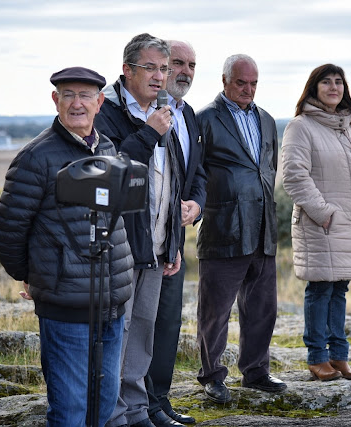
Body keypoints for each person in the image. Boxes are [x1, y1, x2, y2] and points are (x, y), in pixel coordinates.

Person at [0, 67, 134, 425]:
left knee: (103, 407)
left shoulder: (107, 148)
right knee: (70, 411)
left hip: (111, 301)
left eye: (86, 96)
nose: (77, 103)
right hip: (66, 307)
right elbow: (7, 231)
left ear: (100, 102)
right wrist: (33, 274)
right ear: (55, 100)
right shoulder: (36, 157)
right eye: (68, 94)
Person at [93, 33, 182, 427]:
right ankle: (110, 414)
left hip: (155, 244)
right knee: (118, 330)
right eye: (151, 68)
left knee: (144, 329)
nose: (160, 77)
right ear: (127, 70)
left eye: (164, 69)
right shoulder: (106, 113)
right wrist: (149, 132)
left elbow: (171, 184)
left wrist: (173, 240)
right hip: (119, 245)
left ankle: (135, 409)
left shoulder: (166, 113)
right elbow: (110, 172)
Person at [281, 64, 351, 382]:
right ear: (314, 89)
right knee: (321, 288)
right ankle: (316, 357)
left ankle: (339, 356)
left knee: (340, 287)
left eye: (339, 82)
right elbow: (294, 176)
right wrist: (323, 213)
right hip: (320, 223)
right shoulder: (300, 126)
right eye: (326, 82)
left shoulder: (350, 126)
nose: (334, 87)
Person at [195, 54, 286, 404]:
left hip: (263, 228)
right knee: (215, 311)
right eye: (240, 83)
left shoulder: (267, 119)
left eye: (253, 83)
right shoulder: (204, 118)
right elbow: (195, 173)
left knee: (264, 308)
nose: (248, 89)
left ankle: (256, 372)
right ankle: (212, 376)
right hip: (223, 229)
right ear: (224, 81)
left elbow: (268, 168)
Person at [145, 40, 206, 427]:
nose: (184, 71)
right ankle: (139, 407)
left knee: (168, 323)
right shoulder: (143, 112)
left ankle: (159, 401)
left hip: (175, 240)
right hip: (141, 238)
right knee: (141, 326)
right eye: (176, 63)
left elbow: (198, 173)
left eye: (191, 65)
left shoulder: (190, 116)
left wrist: (196, 205)